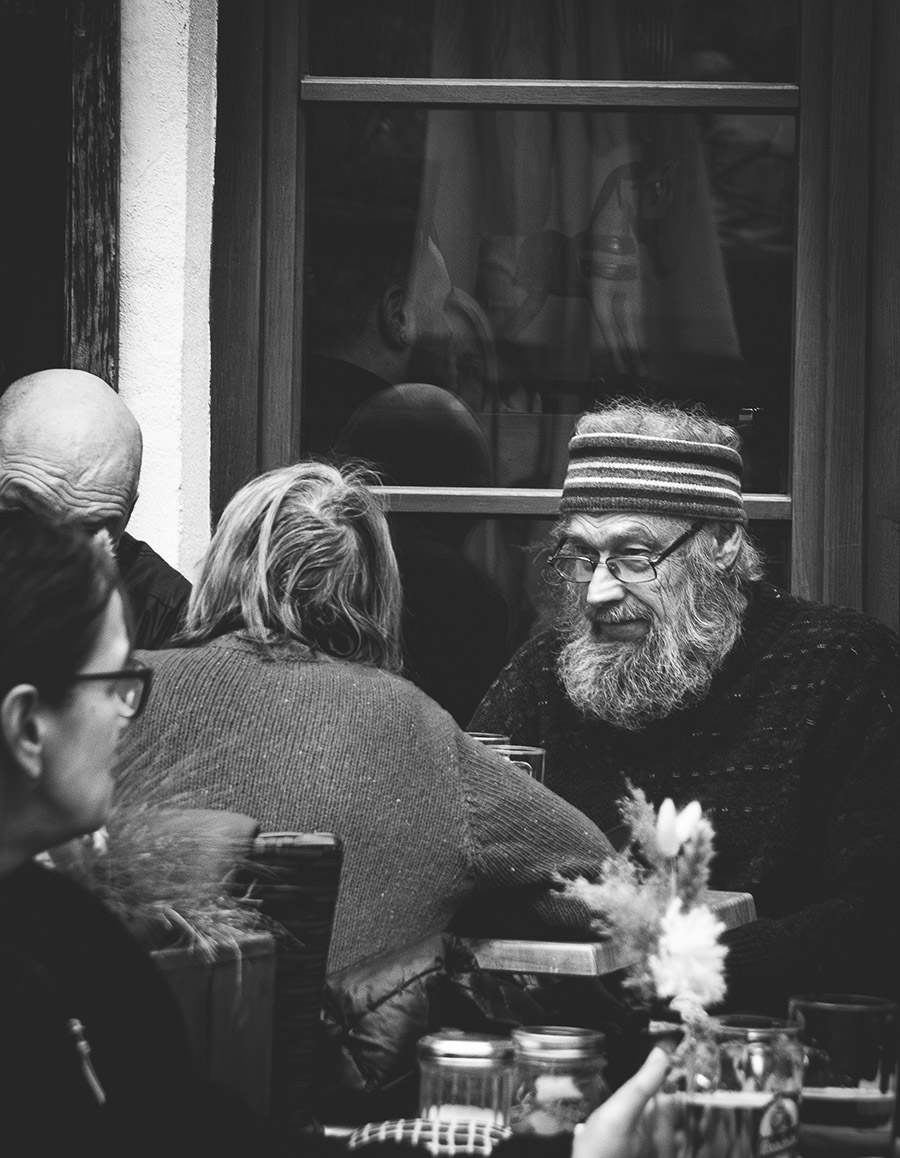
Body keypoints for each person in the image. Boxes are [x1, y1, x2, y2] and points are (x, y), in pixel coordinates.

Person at [470, 399, 900, 1014]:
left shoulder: (844, 666)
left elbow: (877, 913)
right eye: (582, 557)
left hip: (758, 1041)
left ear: (722, 541)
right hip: (563, 1042)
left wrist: (683, 975)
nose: (598, 592)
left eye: (634, 556)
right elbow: (464, 854)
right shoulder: (543, 672)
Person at [113, 460, 614, 974]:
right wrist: (462, 887)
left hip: (136, 1023)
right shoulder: (418, 731)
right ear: (377, 588)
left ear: (222, 569)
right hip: (339, 1026)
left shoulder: (117, 694)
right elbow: (603, 885)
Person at [0, 368, 191, 648]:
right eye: (25, 515)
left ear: (126, 517)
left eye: (86, 533)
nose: (49, 558)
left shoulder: (166, 617)